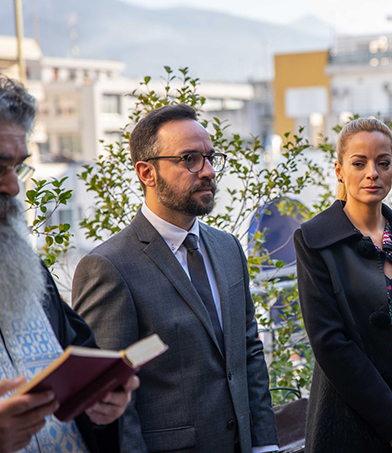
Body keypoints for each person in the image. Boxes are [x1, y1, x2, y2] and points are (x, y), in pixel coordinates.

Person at [71, 104, 279, 453]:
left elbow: (248, 351)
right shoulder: (108, 266)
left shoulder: (228, 248)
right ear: (147, 173)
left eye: (210, 158)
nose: (208, 171)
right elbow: (109, 399)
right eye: (189, 159)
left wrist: (264, 445)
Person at [294, 118, 392, 453]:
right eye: (359, 163)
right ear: (339, 170)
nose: (372, 173)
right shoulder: (315, 240)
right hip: (348, 420)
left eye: (383, 163)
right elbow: (330, 342)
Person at [0, 75, 138, 453]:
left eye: (17, 168)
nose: (12, 187)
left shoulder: (25, 270)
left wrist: (103, 403)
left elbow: (80, 370)